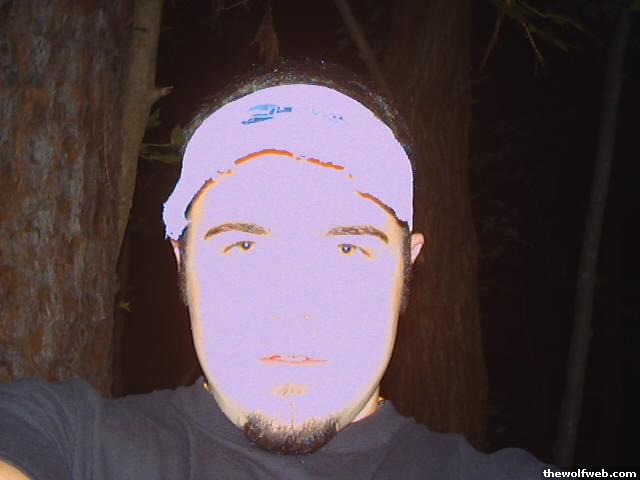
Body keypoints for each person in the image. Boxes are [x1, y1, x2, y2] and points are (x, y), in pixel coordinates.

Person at [0, 60, 552, 479]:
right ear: (182, 264)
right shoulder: (66, 441)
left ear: (407, 270)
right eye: (244, 247)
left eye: (346, 250)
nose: (293, 306)